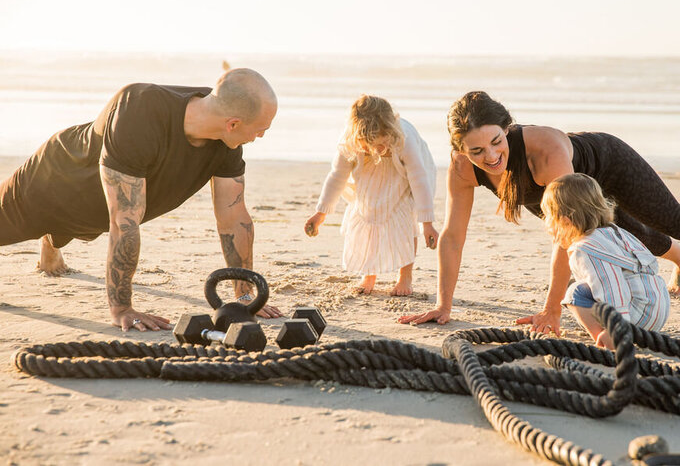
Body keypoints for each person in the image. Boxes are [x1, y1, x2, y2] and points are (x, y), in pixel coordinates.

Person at [399, 91, 680, 332]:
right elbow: (453, 236)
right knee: (636, 236)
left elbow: (567, 235)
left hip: (609, 165)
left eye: (496, 143)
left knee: (673, 220)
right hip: (557, 193)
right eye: (476, 150)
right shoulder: (463, 168)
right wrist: (443, 304)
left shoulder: (544, 151)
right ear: (459, 149)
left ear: (508, 128)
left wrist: (552, 311)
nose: (491, 157)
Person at [0, 68, 283, 331]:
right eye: (261, 129)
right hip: (52, 186)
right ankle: (49, 237)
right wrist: (122, 308)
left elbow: (234, 217)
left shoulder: (225, 135)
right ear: (233, 123)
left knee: (91, 220)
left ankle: (52, 243)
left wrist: (245, 297)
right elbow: (124, 220)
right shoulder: (139, 109)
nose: (260, 136)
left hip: (97, 211)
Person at [304, 95, 439, 296]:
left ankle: (405, 276)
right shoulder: (349, 142)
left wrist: (426, 223)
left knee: (404, 224)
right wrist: (321, 213)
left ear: (391, 130)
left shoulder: (404, 139)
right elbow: (337, 177)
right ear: (358, 137)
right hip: (369, 181)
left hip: (404, 181)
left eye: (383, 143)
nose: (379, 149)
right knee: (366, 223)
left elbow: (419, 179)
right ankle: (369, 274)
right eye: (371, 145)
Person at [540, 173, 670, 349]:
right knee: (584, 285)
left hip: (638, 315)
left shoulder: (585, 248)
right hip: (657, 309)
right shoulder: (615, 232)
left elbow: (612, 286)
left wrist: (617, 329)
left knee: (574, 292)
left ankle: (606, 340)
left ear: (564, 221)